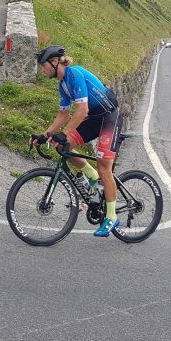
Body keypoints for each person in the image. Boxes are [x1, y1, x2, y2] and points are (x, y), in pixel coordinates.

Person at [29, 45, 123, 238]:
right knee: (63, 146)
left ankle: (112, 217)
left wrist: (64, 132)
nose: (42, 69)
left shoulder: (74, 74)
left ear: (55, 62)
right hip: (95, 119)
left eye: (43, 65)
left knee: (105, 166)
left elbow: (82, 110)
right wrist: (44, 134)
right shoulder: (62, 84)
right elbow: (63, 114)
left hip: (109, 118)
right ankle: (92, 175)